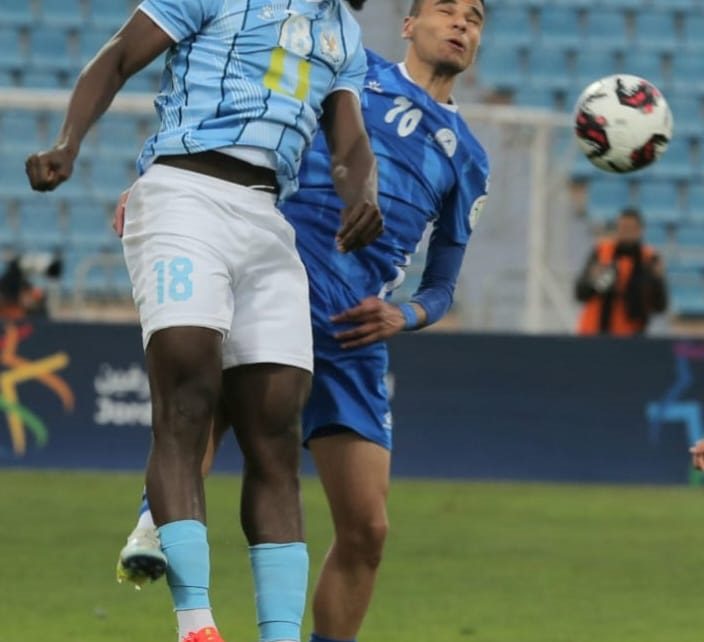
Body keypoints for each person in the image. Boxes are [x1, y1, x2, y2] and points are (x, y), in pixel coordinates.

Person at [116, 2, 488, 641]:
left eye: (474, 17)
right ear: (408, 24)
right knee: (199, 415)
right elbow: (253, 128)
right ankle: (158, 530)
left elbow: (442, 285)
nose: (460, 23)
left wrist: (403, 313)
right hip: (275, 276)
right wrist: (162, 181)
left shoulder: (469, 157)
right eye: (445, 9)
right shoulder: (347, 66)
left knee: (368, 529)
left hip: (352, 331)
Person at [26, 2, 383, 642]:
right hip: (184, 195)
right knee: (188, 401)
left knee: (276, 436)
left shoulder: (344, 33)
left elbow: (349, 143)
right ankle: (197, 626)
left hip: (268, 218)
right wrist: (68, 142)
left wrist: (363, 193)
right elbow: (118, 56)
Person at [575, 207, 668, 336]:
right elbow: (580, 294)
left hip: (632, 336)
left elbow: (660, 306)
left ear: (640, 230)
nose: (626, 232)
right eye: (623, 227)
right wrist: (593, 280)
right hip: (594, 332)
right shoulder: (601, 252)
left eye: (631, 228)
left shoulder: (649, 259)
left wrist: (658, 281)